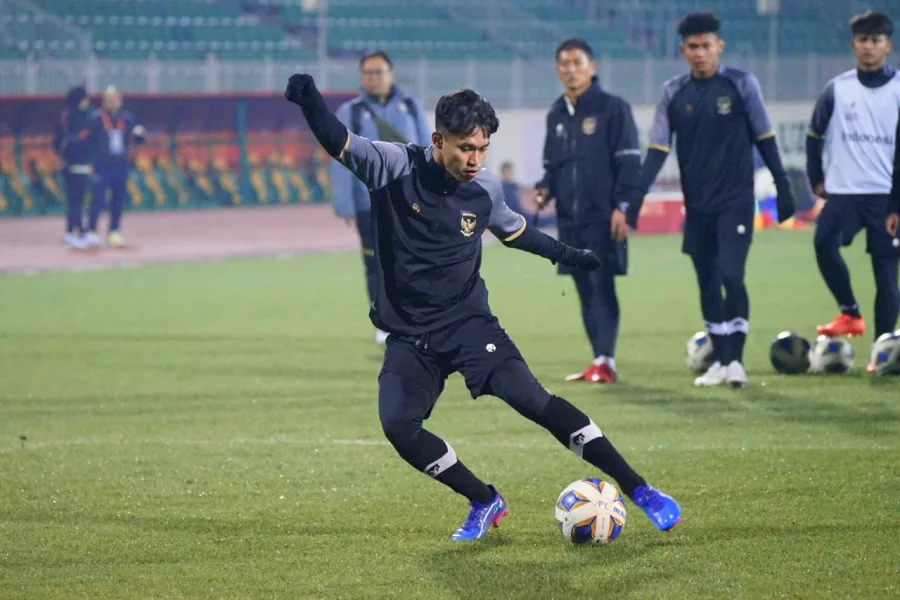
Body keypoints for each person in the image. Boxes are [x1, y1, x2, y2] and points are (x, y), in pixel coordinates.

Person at [284, 73, 682, 542]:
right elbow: (339, 140)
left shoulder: (485, 189)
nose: (475, 160)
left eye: (483, 148)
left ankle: (640, 489)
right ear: (438, 140)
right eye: (465, 148)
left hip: (468, 325)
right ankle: (483, 499)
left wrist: (569, 255)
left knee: (533, 401)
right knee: (398, 426)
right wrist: (311, 102)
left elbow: (516, 232)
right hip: (411, 336)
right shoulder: (393, 166)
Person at [636, 11, 795, 388]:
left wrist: (783, 184)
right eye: (693, 47)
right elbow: (658, 148)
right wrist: (635, 195)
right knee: (707, 281)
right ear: (683, 50)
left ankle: (736, 360)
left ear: (718, 46)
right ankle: (720, 363)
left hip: (735, 201)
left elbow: (764, 135)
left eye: (706, 45)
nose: (699, 53)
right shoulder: (673, 92)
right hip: (698, 205)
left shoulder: (741, 84)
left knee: (730, 275)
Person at [535, 38, 642, 385]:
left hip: (603, 217)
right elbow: (553, 166)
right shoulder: (556, 113)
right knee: (583, 286)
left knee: (601, 283)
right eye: (564, 64)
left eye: (577, 63)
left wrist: (623, 207)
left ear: (592, 67)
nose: (571, 70)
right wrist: (545, 189)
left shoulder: (613, 108)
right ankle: (598, 360)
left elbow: (629, 163)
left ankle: (606, 360)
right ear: (557, 70)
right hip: (570, 219)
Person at [807, 10, 900, 373]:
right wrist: (816, 177)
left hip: (886, 195)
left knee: (885, 274)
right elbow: (814, 135)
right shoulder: (838, 89)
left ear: (888, 46)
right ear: (853, 45)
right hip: (845, 193)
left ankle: (882, 353)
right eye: (862, 41)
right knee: (823, 242)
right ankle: (850, 312)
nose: (868, 47)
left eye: (875, 41)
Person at [330, 51, 432, 346]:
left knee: (412, 262)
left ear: (392, 75)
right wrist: (345, 203)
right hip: (369, 203)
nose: (373, 78)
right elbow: (341, 160)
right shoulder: (351, 112)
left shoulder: (410, 107)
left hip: (409, 201)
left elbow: (429, 152)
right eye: (368, 73)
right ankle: (385, 324)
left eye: (379, 72)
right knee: (376, 264)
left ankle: (414, 320)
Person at [85, 85, 146, 248]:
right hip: (102, 165)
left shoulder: (127, 119)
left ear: (120, 100)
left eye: (114, 99)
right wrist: (90, 163)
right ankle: (92, 230)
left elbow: (136, 138)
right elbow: (88, 142)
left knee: (118, 200)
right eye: (108, 99)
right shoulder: (96, 119)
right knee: (98, 198)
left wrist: (139, 136)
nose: (111, 102)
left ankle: (114, 231)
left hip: (121, 165)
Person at [53, 85, 96, 249]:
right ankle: (78, 232)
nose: (88, 102)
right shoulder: (69, 118)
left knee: (79, 200)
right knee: (75, 201)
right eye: (85, 99)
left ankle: (72, 231)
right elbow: (60, 141)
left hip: (83, 164)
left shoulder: (86, 116)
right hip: (72, 165)